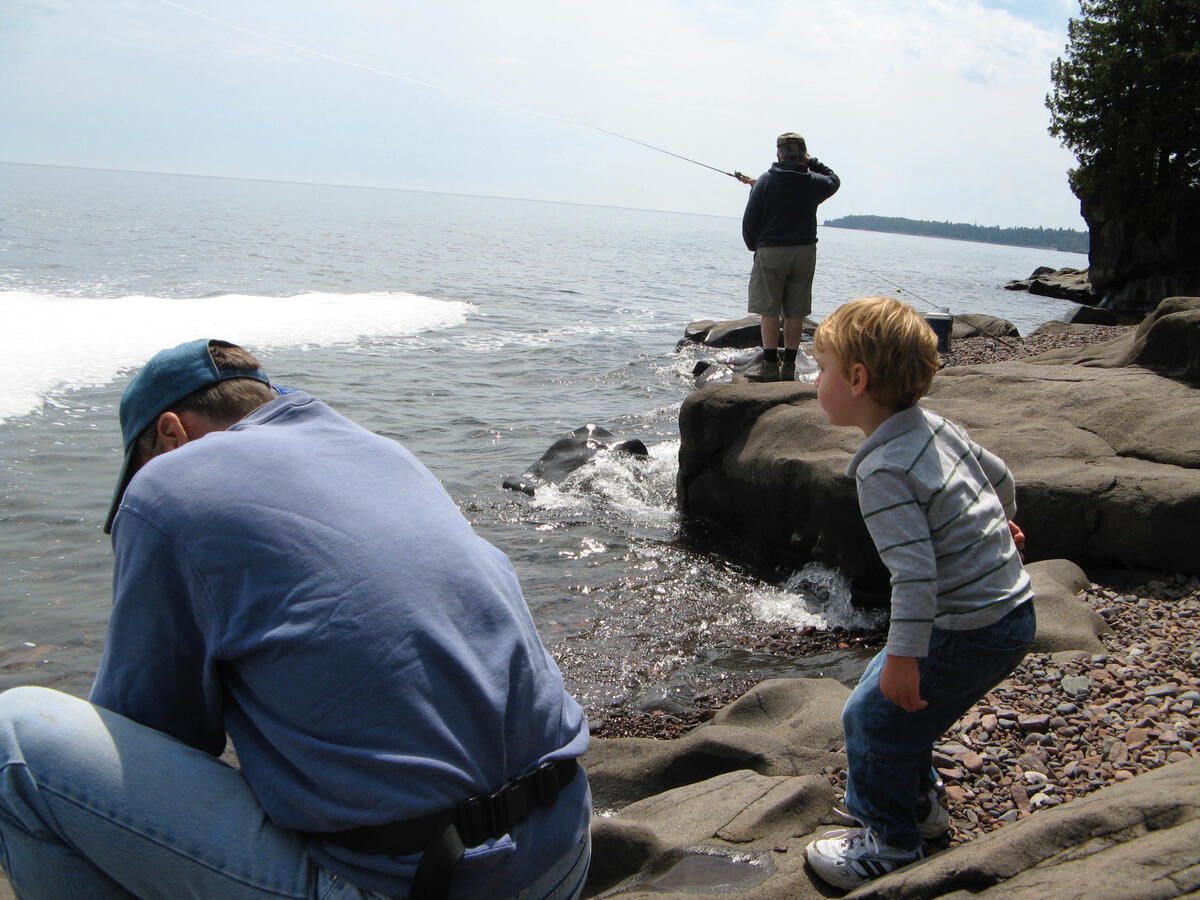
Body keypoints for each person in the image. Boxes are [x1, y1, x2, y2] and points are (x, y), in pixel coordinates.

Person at [0, 339, 591, 900]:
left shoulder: (165, 486)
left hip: (420, 883)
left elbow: (152, 737)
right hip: (564, 850)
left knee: (15, 741)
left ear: (170, 433)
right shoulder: (380, 450)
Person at [803, 298, 1035, 891]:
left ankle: (890, 843)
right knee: (895, 711)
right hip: (1010, 607)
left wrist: (904, 657)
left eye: (821, 367)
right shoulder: (934, 425)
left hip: (967, 625)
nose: (815, 378)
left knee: (873, 720)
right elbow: (999, 477)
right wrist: (998, 526)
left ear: (857, 380)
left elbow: (914, 575)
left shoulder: (881, 469)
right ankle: (921, 808)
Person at [738, 132, 840, 382]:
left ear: (778, 155)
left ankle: (770, 365)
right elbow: (834, 180)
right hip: (804, 252)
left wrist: (754, 246)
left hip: (771, 251)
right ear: (803, 155)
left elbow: (749, 221)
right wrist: (811, 161)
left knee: (769, 310)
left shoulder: (765, 181)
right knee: (795, 312)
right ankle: (790, 368)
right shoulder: (814, 182)